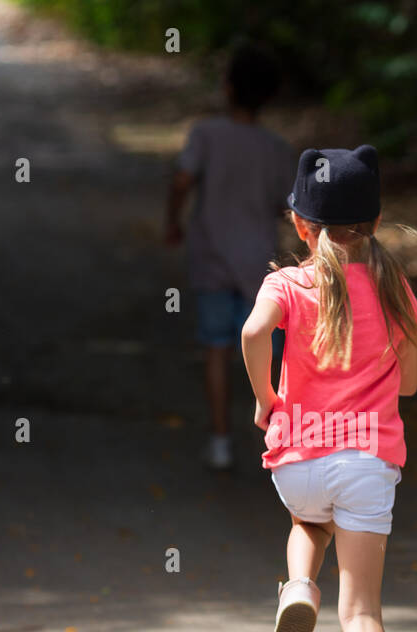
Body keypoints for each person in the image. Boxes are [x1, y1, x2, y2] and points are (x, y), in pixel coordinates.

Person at [241, 145, 417, 632]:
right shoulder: (392, 289)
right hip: (367, 465)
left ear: (301, 225)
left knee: (306, 520)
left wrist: (267, 397)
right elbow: (407, 385)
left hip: (299, 459)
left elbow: (249, 333)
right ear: (374, 222)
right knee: (364, 613)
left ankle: (298, 587)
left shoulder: (287, 285)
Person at [165, 44, 293, 470]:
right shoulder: (276, 149)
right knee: (272, 357)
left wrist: (173, 220)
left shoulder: (205, 134)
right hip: (262, 267)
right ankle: (283, 438)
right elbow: (286, 205)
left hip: (212, 258)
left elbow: (183, 180)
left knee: (217, 348)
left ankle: (220, 440)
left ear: (227, 87)